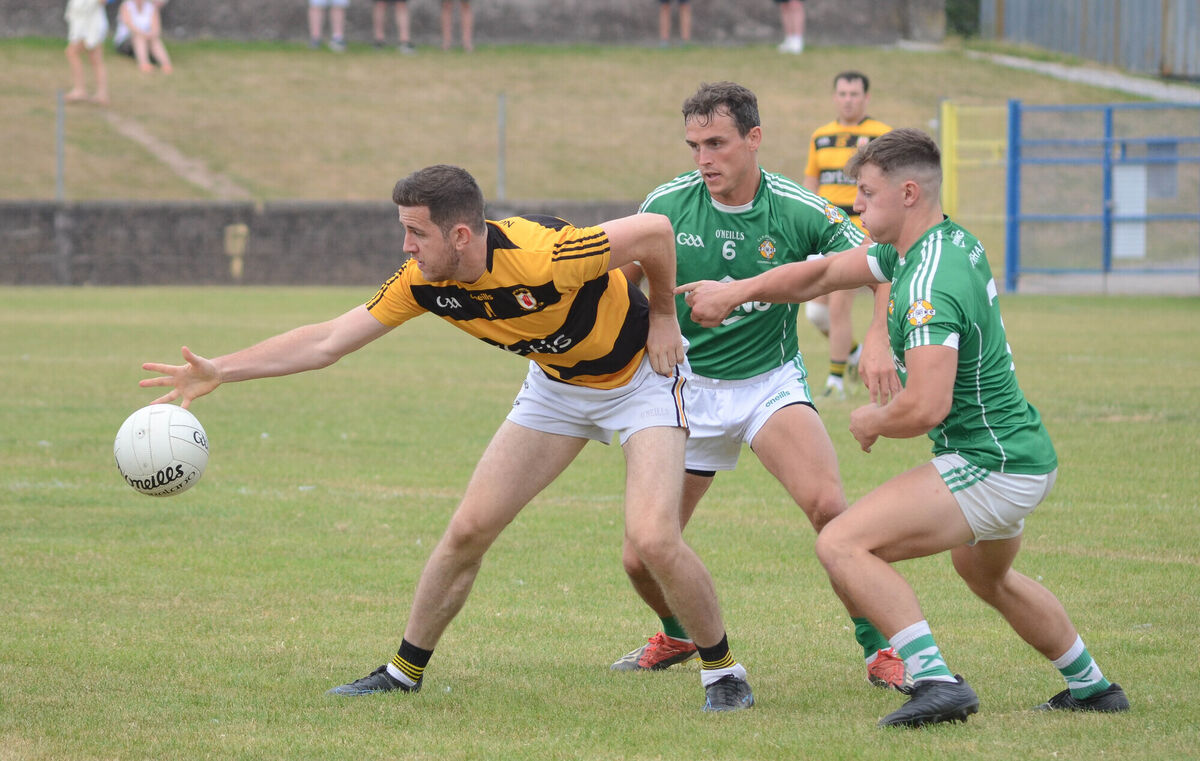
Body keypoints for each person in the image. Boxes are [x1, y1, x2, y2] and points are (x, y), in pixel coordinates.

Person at [139, 164, 755, 713]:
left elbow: (653, 232)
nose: (406, 247)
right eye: (404, 232)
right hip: (556, 388)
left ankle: (723, 670)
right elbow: (329, 340)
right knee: (468, 529)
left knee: (652, 537)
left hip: (641, 381)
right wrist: (223, 368)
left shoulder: (544, 255)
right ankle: (403, 672)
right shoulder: (421, 281)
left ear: (461, 234)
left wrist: (666, 318)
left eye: (416, 233)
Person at [678, 128, 1131, 728]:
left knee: (841, 542)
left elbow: (926, 407)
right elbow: (818, 276)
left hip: (990, 463)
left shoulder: (925, 285)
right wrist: (738, 291)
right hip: (1020, 452)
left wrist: (872, 419)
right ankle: (1093, 687)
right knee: (986, 574)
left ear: (909, 192)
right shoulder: (937, 243)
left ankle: (937, 682)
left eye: (865, 193)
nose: (856, 205)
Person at [612, 82, 910, 694]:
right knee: (641, 557)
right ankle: (676, 631)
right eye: (694, 144)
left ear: (754, 139)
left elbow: (883, 262)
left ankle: (882, 649)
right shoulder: (667, 205)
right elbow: (617, 283)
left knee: (831, 511)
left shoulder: (797, 209)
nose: (703, 158)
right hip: (684, 392)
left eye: (716, 143)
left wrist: (876, 337)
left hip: (767, 385)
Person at [803, 71, 892, 399]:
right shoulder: (820, 136)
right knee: (816, 312)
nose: (848, 99)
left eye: (854, 94)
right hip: (825, 232)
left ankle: (835, 382)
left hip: (858, 234)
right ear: (834, 97)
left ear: (866, 98)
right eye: (842, 93)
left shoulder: (880, 135)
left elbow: (887, 183)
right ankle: (854, 356)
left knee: (839, 304)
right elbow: (811, 181)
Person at [64, 0, 109, 105]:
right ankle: (101, 94)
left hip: (92, 25)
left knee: (72, 52)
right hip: (83, 25)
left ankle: (80, 90)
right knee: (95, 59)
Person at [113, 0, 173, 73]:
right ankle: (144, 64)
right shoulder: (126, 6)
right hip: (125, 41)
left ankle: (165, 64)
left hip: (147, 40)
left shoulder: (151, 8)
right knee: (139, 38)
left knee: (154, 40)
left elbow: (156, 29)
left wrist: (151, 35)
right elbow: (129, 25)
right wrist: (144, 34)